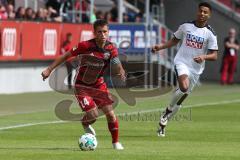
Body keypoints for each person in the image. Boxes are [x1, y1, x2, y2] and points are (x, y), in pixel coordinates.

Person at [41, 19, 126, 150]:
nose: (102, 35)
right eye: (99, 32)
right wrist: (49, 69)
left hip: (98, 85)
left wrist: (120, 71)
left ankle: (116, 143)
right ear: (94, 33)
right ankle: (85, 123)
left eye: (105, 32)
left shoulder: (111, 48)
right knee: (93, 115)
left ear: (108, 32)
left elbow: (116, 63)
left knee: (110, 114)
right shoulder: (85, 46)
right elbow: (65, 56)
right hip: (82, 86)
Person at [151, 2, 218, 137]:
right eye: (200, 11)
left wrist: (204, 57)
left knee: (180, 101)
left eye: (205, 12)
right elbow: (174, 41)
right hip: (181, 62)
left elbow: (215, 55)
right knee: (183, 86)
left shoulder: (210, 33)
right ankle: (168, 109)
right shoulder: (185, 26)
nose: (202, 14)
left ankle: (163, 124)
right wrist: (160, 47)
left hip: (196, 70)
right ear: (197, 12)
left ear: (209, 15)